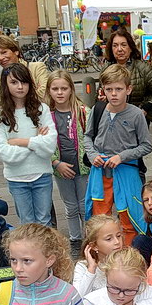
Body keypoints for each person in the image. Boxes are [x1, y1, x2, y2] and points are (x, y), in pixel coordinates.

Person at [84, 64, 152, 245]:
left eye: (119, 89)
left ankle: (130, 253)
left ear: (128, 89)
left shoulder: (136, 114)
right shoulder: (97, 110)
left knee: (130, 217)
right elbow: (87, 137)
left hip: (126, 172)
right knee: (99, 218)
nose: (114, 94)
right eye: (109, 89)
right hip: (100, 173)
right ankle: (102, 253)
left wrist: (122, 156)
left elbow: (146, 146)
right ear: (103, 90)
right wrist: (92, 155)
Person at [0, 63, 57, 226]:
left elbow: (50, 146)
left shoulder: (42, 109)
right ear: (6, 84)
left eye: (24, 82)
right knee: (26, 223)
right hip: (16, 177)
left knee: (44, 221)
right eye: (14, 82)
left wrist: (21, 142)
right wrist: (35, 142)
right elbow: (3, 152)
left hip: (42, 174)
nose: (20, 87)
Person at [46, 70, 91, 249]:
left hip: (83, 168)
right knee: (70, 206)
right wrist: (56, 163)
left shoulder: (83, 112)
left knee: (84, 205)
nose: (60, 93)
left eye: (64, 88)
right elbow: (43, 143)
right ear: (49, 90)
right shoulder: (46, 116)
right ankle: (75, 239)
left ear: (71, 89)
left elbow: (92, 137)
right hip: (60, 168)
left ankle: (88, 238)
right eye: (55, 89)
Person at [103, 29, 152, 126]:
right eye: (115, 45)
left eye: (123, 45)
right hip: (112, 121)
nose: (119, 49)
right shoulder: (106, 68)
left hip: (137, 121)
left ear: (131, 48)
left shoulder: (141, 67)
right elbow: (100, 92)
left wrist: (146, 107)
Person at [73, 214, 124, 297]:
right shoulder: (83, 266)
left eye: (118, 236)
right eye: (109, 239)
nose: (117, 242)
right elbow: (78, 297)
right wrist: (91, 269)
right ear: (94, 246)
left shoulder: (128, 261)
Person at [0, 34, 48, 102]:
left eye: (4, 52)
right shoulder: (0, 80)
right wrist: (34, 92)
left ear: (16, 51)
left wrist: (14, 100)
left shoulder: (36, 68)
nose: (0, 58)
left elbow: (44, 95)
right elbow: (2, 104)